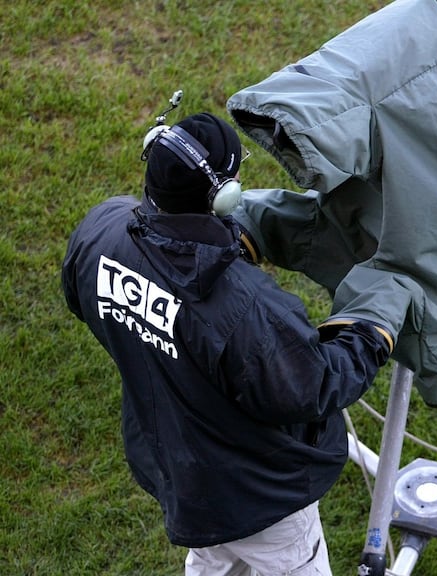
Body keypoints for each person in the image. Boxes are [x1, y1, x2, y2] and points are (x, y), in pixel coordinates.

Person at [61, 110, 406, 575]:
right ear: (222, 196)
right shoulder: (244, 308)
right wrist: (374, 326)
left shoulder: (101, 230)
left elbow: (91, 298)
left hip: (185, 477)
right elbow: (313, 386)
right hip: (261, 499)